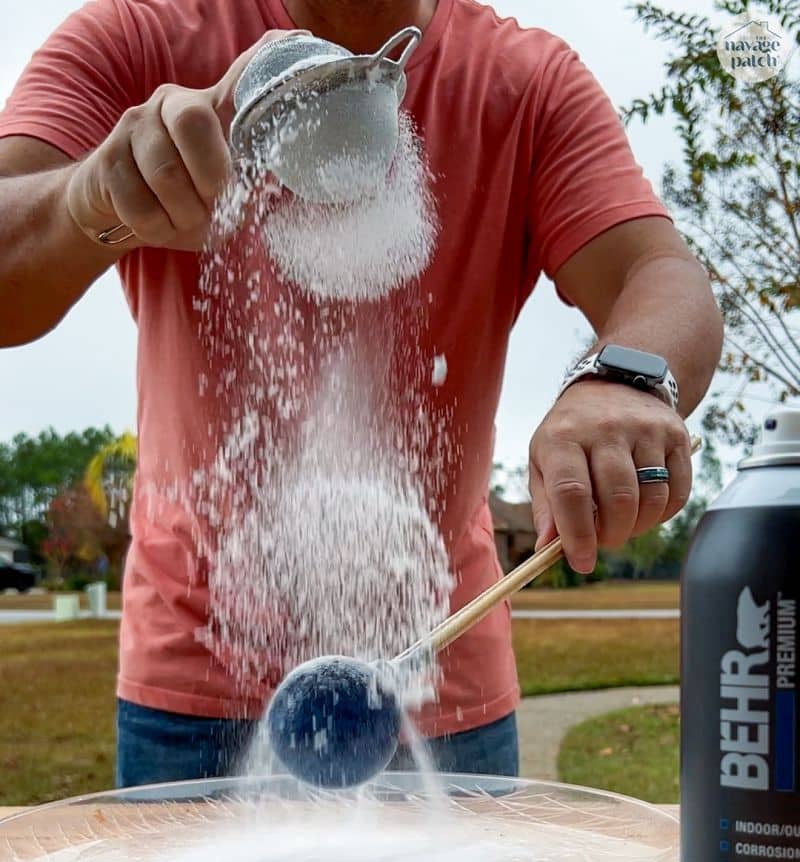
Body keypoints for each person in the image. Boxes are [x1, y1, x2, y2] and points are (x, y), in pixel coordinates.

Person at [0, 0, 722, 786]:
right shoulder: (141, 38)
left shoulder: (525, 83)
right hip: (192, 679)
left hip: (440, 666)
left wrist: (620, 380)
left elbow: (660, 272)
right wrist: (86, 199)